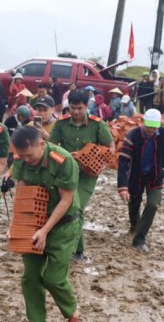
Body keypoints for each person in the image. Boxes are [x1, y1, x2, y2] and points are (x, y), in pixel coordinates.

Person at [9, 125, 82, 322]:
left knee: (54, 278)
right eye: (21, 156)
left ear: (41, 144)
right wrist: (17, 225)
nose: (26, 160)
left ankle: (71, 310)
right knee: (30, 276)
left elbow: (66, 200)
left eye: (29, 155)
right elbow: (22, 196)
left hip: (62, 225)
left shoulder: (63, 160)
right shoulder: (21, 160)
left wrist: (45, 231)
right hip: (34, 222)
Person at [48, 89, 114, 261]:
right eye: (72, 108)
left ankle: (72, 251)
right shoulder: (61, 124)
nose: (75, 112)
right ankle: (78, 249)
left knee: (77, 207)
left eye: (79, 108)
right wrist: (66, 157)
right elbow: (50, 149)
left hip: (87, 176)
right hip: (66, 173)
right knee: (68, 208)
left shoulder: (98, 125)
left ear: (87, 106)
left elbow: (110, 148)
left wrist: (96, 160)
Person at [117, 108, 164, 252]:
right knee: (134, 204)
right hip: (136, 175)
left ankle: (139, 239)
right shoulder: (133, 135)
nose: (151, 130)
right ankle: (135, 226)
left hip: (156, 176)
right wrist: (122, 186)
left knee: (153, 204)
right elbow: (123, 161)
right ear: (142, 123)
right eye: (148, 126)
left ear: (159, 125)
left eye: (154, 127)